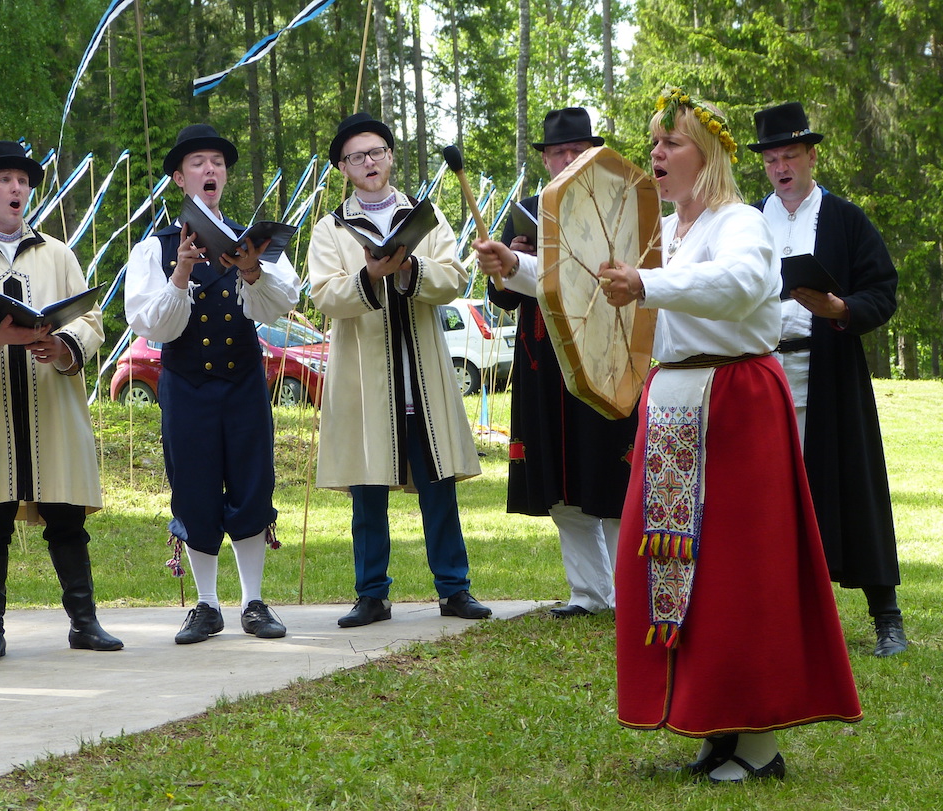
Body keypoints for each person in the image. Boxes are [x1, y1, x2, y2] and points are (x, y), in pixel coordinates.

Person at [597, 89, 861, 782]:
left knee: (742, 571)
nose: (656, 152)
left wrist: (649, 286)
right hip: (678, 403)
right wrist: (523, 271)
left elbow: (746, 284)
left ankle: (761, 744)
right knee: (672, 565)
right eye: (653, 141)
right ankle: (716, 722)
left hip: (736, 402)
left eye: (672, 142)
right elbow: (607, 282)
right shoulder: (669, 233)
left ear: (706, 156)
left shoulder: (740, 221)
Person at [0, 140, 122, 664]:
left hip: (50, 400)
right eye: (4, 180)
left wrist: (62, 344)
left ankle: (84, 623)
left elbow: (91, 318)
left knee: (65, 513)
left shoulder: (57, 253)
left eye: (22, 180)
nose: (16, 189)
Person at [307, 112, 492, 628]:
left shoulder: (425, 217)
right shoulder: (331, 229)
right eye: (356, 156)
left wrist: (411, 268)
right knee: (367, 497)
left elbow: (455, 278)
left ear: (390, 156)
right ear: (342, 168)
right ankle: (371, 593)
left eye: (376, 152)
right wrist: (368, 275)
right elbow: (323, 294)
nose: (368, 162)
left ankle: (454, 588)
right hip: (365, 385)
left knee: (439, 489)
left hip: (423, 380)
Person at [124, 124, 298, 644]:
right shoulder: (154, 247)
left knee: (251, 483)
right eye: (198, 163)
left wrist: (252, 272)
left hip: (243, 380)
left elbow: (282, 303)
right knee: (195, 487)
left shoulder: (255, 243)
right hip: (186, 385)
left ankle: (254, 602)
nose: (210, 170)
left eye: (217, 163)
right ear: (180, 178)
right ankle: (206, 605)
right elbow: (152, 325)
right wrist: (180, 274)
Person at [749, 102, 905, 657]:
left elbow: (882, 290)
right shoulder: (747, 222)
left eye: (791, 154)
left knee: (853, 486)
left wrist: (840, 306)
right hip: (762, 372)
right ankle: (779, 618)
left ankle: (886, 616)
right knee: (769, 496)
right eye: (772, 158)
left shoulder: (845, 219)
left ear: (812, 156)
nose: (782, 166)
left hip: (830, 369)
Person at [473, 107, 636, 618]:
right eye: (556, 153)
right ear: (545, 160)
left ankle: (628, 592)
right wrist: (509, 262)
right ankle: (588, 594)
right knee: (561, 481)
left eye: (574, 151)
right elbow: (501, 300)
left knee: (611, 474)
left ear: (591, 154)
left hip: (604, 355)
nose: (565, 160)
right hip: (543, 362)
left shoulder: (615, 204)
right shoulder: (526, 210)